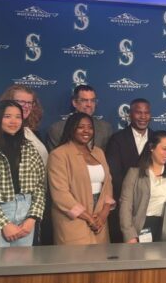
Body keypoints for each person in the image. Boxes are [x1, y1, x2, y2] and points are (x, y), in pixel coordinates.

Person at [47, 112, 115, 245]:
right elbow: (60, 194)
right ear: (71, 129)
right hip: (74, 220)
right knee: (76, 262)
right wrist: (89, 218)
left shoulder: (99, 152)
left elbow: (108, 186)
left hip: (100, 220)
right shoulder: (59, 155)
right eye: (81, 127)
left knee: (100, 262)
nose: (86, 131)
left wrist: (103, 215)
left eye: (90, 127)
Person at [119, 131, 166, 243]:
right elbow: (125, 206)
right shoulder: (134, 173)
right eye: (164, 149)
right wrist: (130, 235)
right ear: (151, 147)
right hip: (144, 226)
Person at [0, 100, 46, 247]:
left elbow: (39, 186)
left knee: (22, 266)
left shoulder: (28, 147)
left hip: (26, 212)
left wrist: (32, 218)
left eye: (18, 117)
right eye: (7, 116)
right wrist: (3, 224)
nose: (14, 121)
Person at [105, 99, 153, 243]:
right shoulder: (117, 139)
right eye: (138, 112)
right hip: (125, 204)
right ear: (129, 115)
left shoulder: (157, 139)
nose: (143, 117)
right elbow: (114, 174)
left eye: (146, 113)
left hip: (150, 205)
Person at [46, 85, 113, 151]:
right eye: (84, 100)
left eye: (92, 100)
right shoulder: (57, 129)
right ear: (74, 102)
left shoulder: (106, 129)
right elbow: (56, 158)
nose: (89, 105)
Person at [0, 84, 47, 163]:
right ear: (8, 102)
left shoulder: (34, 132)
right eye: (21, 102)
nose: (26, 106)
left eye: (29, 103)